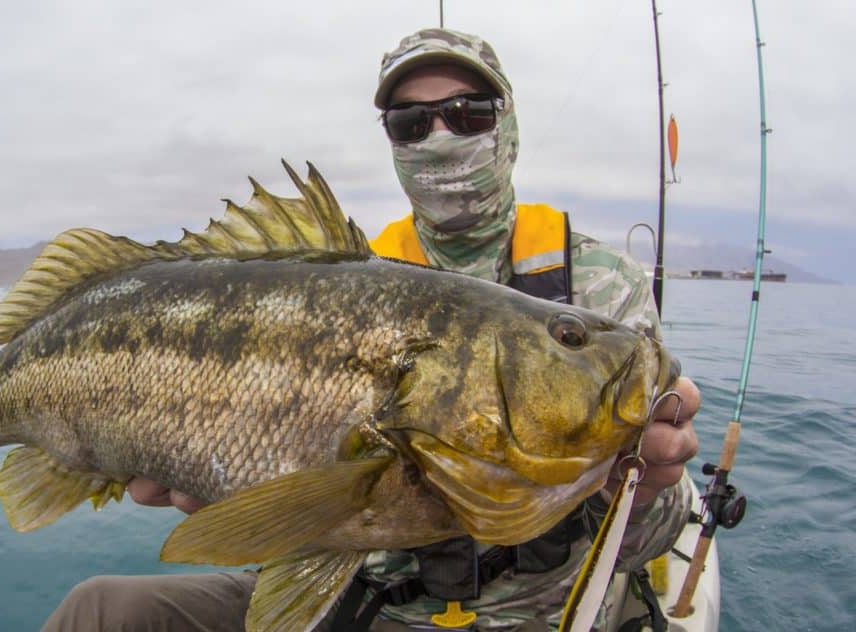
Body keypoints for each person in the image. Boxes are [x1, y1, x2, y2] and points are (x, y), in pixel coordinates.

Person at [43, 28, 700, 632]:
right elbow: (309, 511)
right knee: (98, 611)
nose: (440, 135)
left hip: (548, 616)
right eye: (411, 122)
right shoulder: (357, 274)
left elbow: (649, 540)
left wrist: (643, 488)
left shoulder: (601, 289)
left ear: (508, 125)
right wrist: (232, 497)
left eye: (469, 113)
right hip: (370, 607)